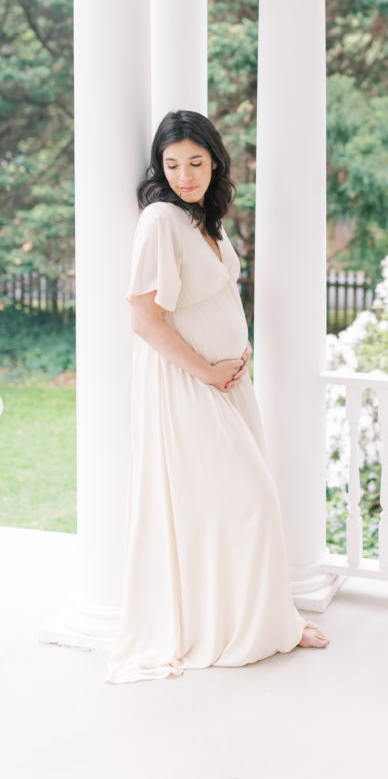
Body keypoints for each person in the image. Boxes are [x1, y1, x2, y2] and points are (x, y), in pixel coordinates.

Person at [106, 110, 329, 684]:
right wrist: (206, 370)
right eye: (171, 164)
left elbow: (214, 297)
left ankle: (267, 618)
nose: (183, 175)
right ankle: (246, 626)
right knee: (248, 500)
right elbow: (144, 320)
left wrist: (238, 350)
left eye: (195, 163)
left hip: (226, 381)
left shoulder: (207, 219)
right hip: (186, 384)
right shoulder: (159, 219)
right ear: (159, 166)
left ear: (215, 163)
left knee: (227, 506)